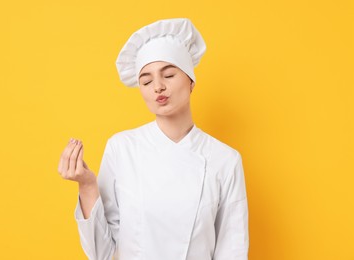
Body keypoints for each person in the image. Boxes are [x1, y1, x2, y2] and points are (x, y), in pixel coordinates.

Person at [57, 18, 249, 260]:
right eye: (146, 81)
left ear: (191, 81)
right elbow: (102, 253)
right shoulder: (122, 148)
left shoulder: (225, 160)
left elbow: (233, 250)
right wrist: (86, 185)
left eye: (168, 75)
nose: (157, 86)